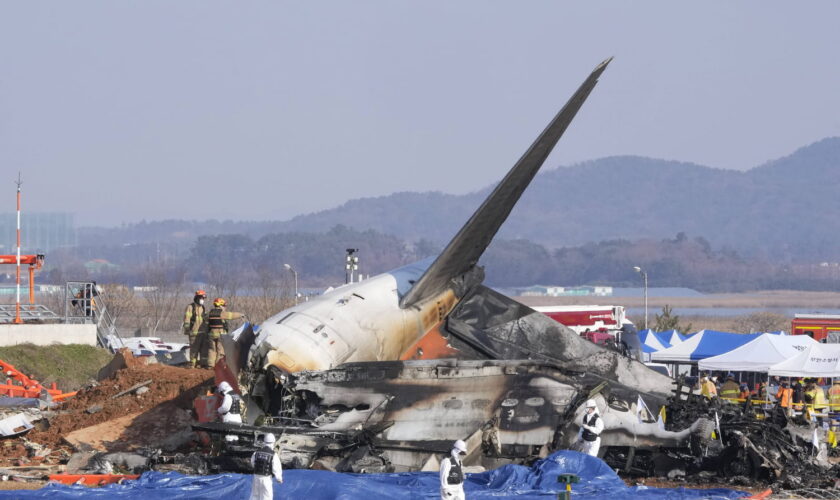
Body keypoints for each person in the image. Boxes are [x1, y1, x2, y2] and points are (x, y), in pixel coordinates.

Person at [206, 298, 246, 367]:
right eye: (224, 305)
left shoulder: (209, 313)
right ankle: (219, 366)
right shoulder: (222, 313)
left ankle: (210, 365)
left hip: (211, 335)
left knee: (212, 350)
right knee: (220, 351)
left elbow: (206, 321)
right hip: (220, 335)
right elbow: (231, 315)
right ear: (220, 305)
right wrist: (240, 315)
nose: (225, 307)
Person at [250, 433, 282, 500]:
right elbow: (276, 468)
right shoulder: (273, 455)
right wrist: (279, 478)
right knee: (266, 497)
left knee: (254, 496)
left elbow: (253, 463)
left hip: (256, 477)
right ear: (273, 442)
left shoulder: (256, 452)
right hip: (266, 479)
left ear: (264, 442)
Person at [183, 290, 207, 368]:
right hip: (193, 332)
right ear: (197, 298)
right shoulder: (190, 307)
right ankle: (192, 364)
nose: (202, 300)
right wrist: (187, 329)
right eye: (201, 298)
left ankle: (202, 364)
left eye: (203, 298)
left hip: (202, 332)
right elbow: (187, 319)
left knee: (203, 349)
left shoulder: (203, 307)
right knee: (194, 349)